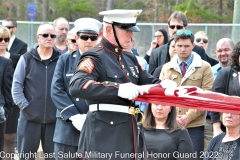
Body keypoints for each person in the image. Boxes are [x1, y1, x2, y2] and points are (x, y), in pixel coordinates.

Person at [69, 9, 161, 159]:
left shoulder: (130, 58)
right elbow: (78, 85)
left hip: (128, 133)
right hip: (103, 136)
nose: (131, 35)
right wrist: (117, 89)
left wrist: (168, 86)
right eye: (126, 30)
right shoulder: (94, 56)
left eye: (132, 31)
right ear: (108, 29)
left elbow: (150, 82)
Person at [51, 18, 102, 160]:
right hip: (67, 127)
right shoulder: (65, 60)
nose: (89, 41)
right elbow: (56, 90)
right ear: (77, 38)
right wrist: (74, 116)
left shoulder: (105, 62)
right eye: (85, 37)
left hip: (95, 125)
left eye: (93, 38)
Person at [160, 30, 214, 160]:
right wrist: (173, 117)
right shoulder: (166, 68)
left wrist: (188, 117)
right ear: (174, 46)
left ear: (193, 46)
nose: (182, 49)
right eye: (179, 46)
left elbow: (207, 96)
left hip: (194, 126)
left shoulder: (205, 67)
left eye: (186, 46)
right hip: (170, 124)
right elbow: (162, 96)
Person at [12, 23, 60, 160]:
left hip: (54, 120)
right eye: (45, 35)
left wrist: (59, 109)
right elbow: (16, 87)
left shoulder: (61, 59)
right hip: (29, 119)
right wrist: (26, 107)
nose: (49, 38)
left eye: (52, 35)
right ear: (38, 37)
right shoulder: (26, 58)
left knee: (54, 157)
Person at [148, 11, 218, 74]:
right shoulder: (156, 53)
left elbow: (203, 73)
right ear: (168, 27)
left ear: (186, 28)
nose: (175, 30)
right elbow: (150, 79)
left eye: (178, 27)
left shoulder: (198, 51)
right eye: (172, 26)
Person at [2, 19, 27, 157]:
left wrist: (8, 55)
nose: (3, 41)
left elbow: (21, 65)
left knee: (9, 138)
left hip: (10, 99)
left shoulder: (21, 47)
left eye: (5, 39)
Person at [211, 40, 239, 140]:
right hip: (229, 127)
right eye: (220, 50)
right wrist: (217, 128)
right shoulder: (226, 73)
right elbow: (215, 99)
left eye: (227, 50)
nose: (223, 53)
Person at [0, 26, 14, 160]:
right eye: (0, 39)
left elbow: (7, 88)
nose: (3, 42)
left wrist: (6, 110)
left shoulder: (6, 62)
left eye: (6, 39)